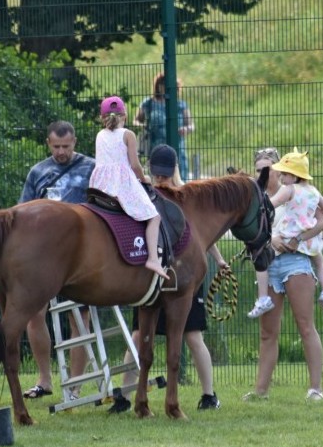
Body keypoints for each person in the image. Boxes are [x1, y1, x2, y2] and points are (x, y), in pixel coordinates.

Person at [110, 144, 225, 413]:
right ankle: (124, 396)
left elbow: (201, 236)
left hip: (184, 272)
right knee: (139, 334)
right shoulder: (146, 193)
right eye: (157, 175)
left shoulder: (187, 196)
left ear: (174, 170)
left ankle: (209, 394)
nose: (161, 180)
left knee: (192, 335)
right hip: (152, 276)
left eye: (165, 175)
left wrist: (218, 259)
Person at [18, 121, 96, 400]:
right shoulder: (38, 172)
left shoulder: (91, 168)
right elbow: (23, 213)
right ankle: (44, 380)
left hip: (79, 256)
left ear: (75, 142)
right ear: (48, 143)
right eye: (56, 146)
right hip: (42, 257)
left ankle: (74, 385)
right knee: (34, 315)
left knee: (79, 319)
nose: (61, 151)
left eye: (66, 146)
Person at [244, 147, 323, 402]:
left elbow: (320, 219)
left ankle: (316, 388)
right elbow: (253, 234)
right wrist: (272, 239)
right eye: (258, 169)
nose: (262, 173)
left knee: (305, 326)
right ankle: (261, 391)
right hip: (270, 265)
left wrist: (297, 239)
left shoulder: (298, 193)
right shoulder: (258, 202)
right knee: (267, 332)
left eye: (267, 169)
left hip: (296, 263)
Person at [248, 146, 323, 319]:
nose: (282, 176)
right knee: (319, 262)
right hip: (306, 238)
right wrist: (308, 211)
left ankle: (262, 298)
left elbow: (268, 206)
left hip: (289, 239)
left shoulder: (288, 190)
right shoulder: (312, 192)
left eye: (284, 173)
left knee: (261, 262)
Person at [90, 96, 168, 278]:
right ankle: (153, 260)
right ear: (124, 116)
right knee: (153, 216)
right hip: (121, 184)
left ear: (102, 118)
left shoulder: (100, 135)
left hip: (100, 185)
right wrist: (145, 178)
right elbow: (134, 165)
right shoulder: (128, 135)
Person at [136, 73, 194, 181]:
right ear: (158, 85)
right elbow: (136, 121)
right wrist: (145, 127)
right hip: (155, 148)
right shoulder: (148, 103)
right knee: (157, 179)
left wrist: (186, 129)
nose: (165, 86)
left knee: (180, 179)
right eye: (163, 84)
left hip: (178, 149)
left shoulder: (181, 105)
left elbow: (191, 125)